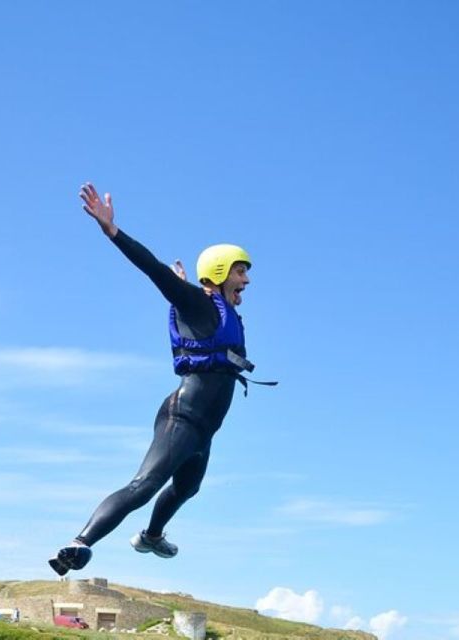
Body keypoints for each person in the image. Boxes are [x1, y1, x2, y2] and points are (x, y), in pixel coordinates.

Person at [49, 183, 269, 575]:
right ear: (219, 272)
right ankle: (79, 543)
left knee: (188, 488)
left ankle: (151, 537)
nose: (246, 281)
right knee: (145, 485)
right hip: (182, 416)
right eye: (240, 271)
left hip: (204, 430)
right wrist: (112, 230)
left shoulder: (217, 308)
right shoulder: (199, 303)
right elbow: (151, 267)